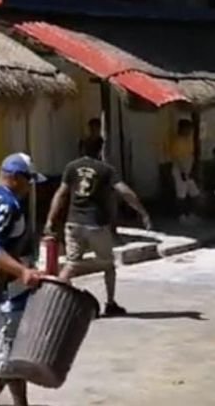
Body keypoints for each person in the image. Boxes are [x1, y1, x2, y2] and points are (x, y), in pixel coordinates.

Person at [45, 136, 151, 317]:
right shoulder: (106, 170)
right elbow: (124, 191)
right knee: (108, 265)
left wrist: (50, 220)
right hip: (96, 224)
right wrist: (142, 212)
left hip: (73, 223)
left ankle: (52, 302)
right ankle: (110, 303)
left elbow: (61, 194)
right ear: (100, 149)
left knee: (71, 264)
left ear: (81, 149)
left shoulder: (71, 167)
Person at [0, 153, 47, 406]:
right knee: (3, 363)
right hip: (5, 295)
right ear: (14, 178)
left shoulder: (4, 199)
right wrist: (22, 271)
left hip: (11, 291)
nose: (30, 187)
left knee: (14, 354)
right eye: (28, 181)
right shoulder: (2, 203)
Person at [168, 119, 201, 225]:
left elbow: (190, 155)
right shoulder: (177, 141)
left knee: (194, 194)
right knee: (181, 195)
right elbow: (176, 158)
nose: (189, 131)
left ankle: (192, 214)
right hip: (180, 169)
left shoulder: (189, 140)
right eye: (188, 129)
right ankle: (181, 216)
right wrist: (183, 172)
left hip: (188, 168)